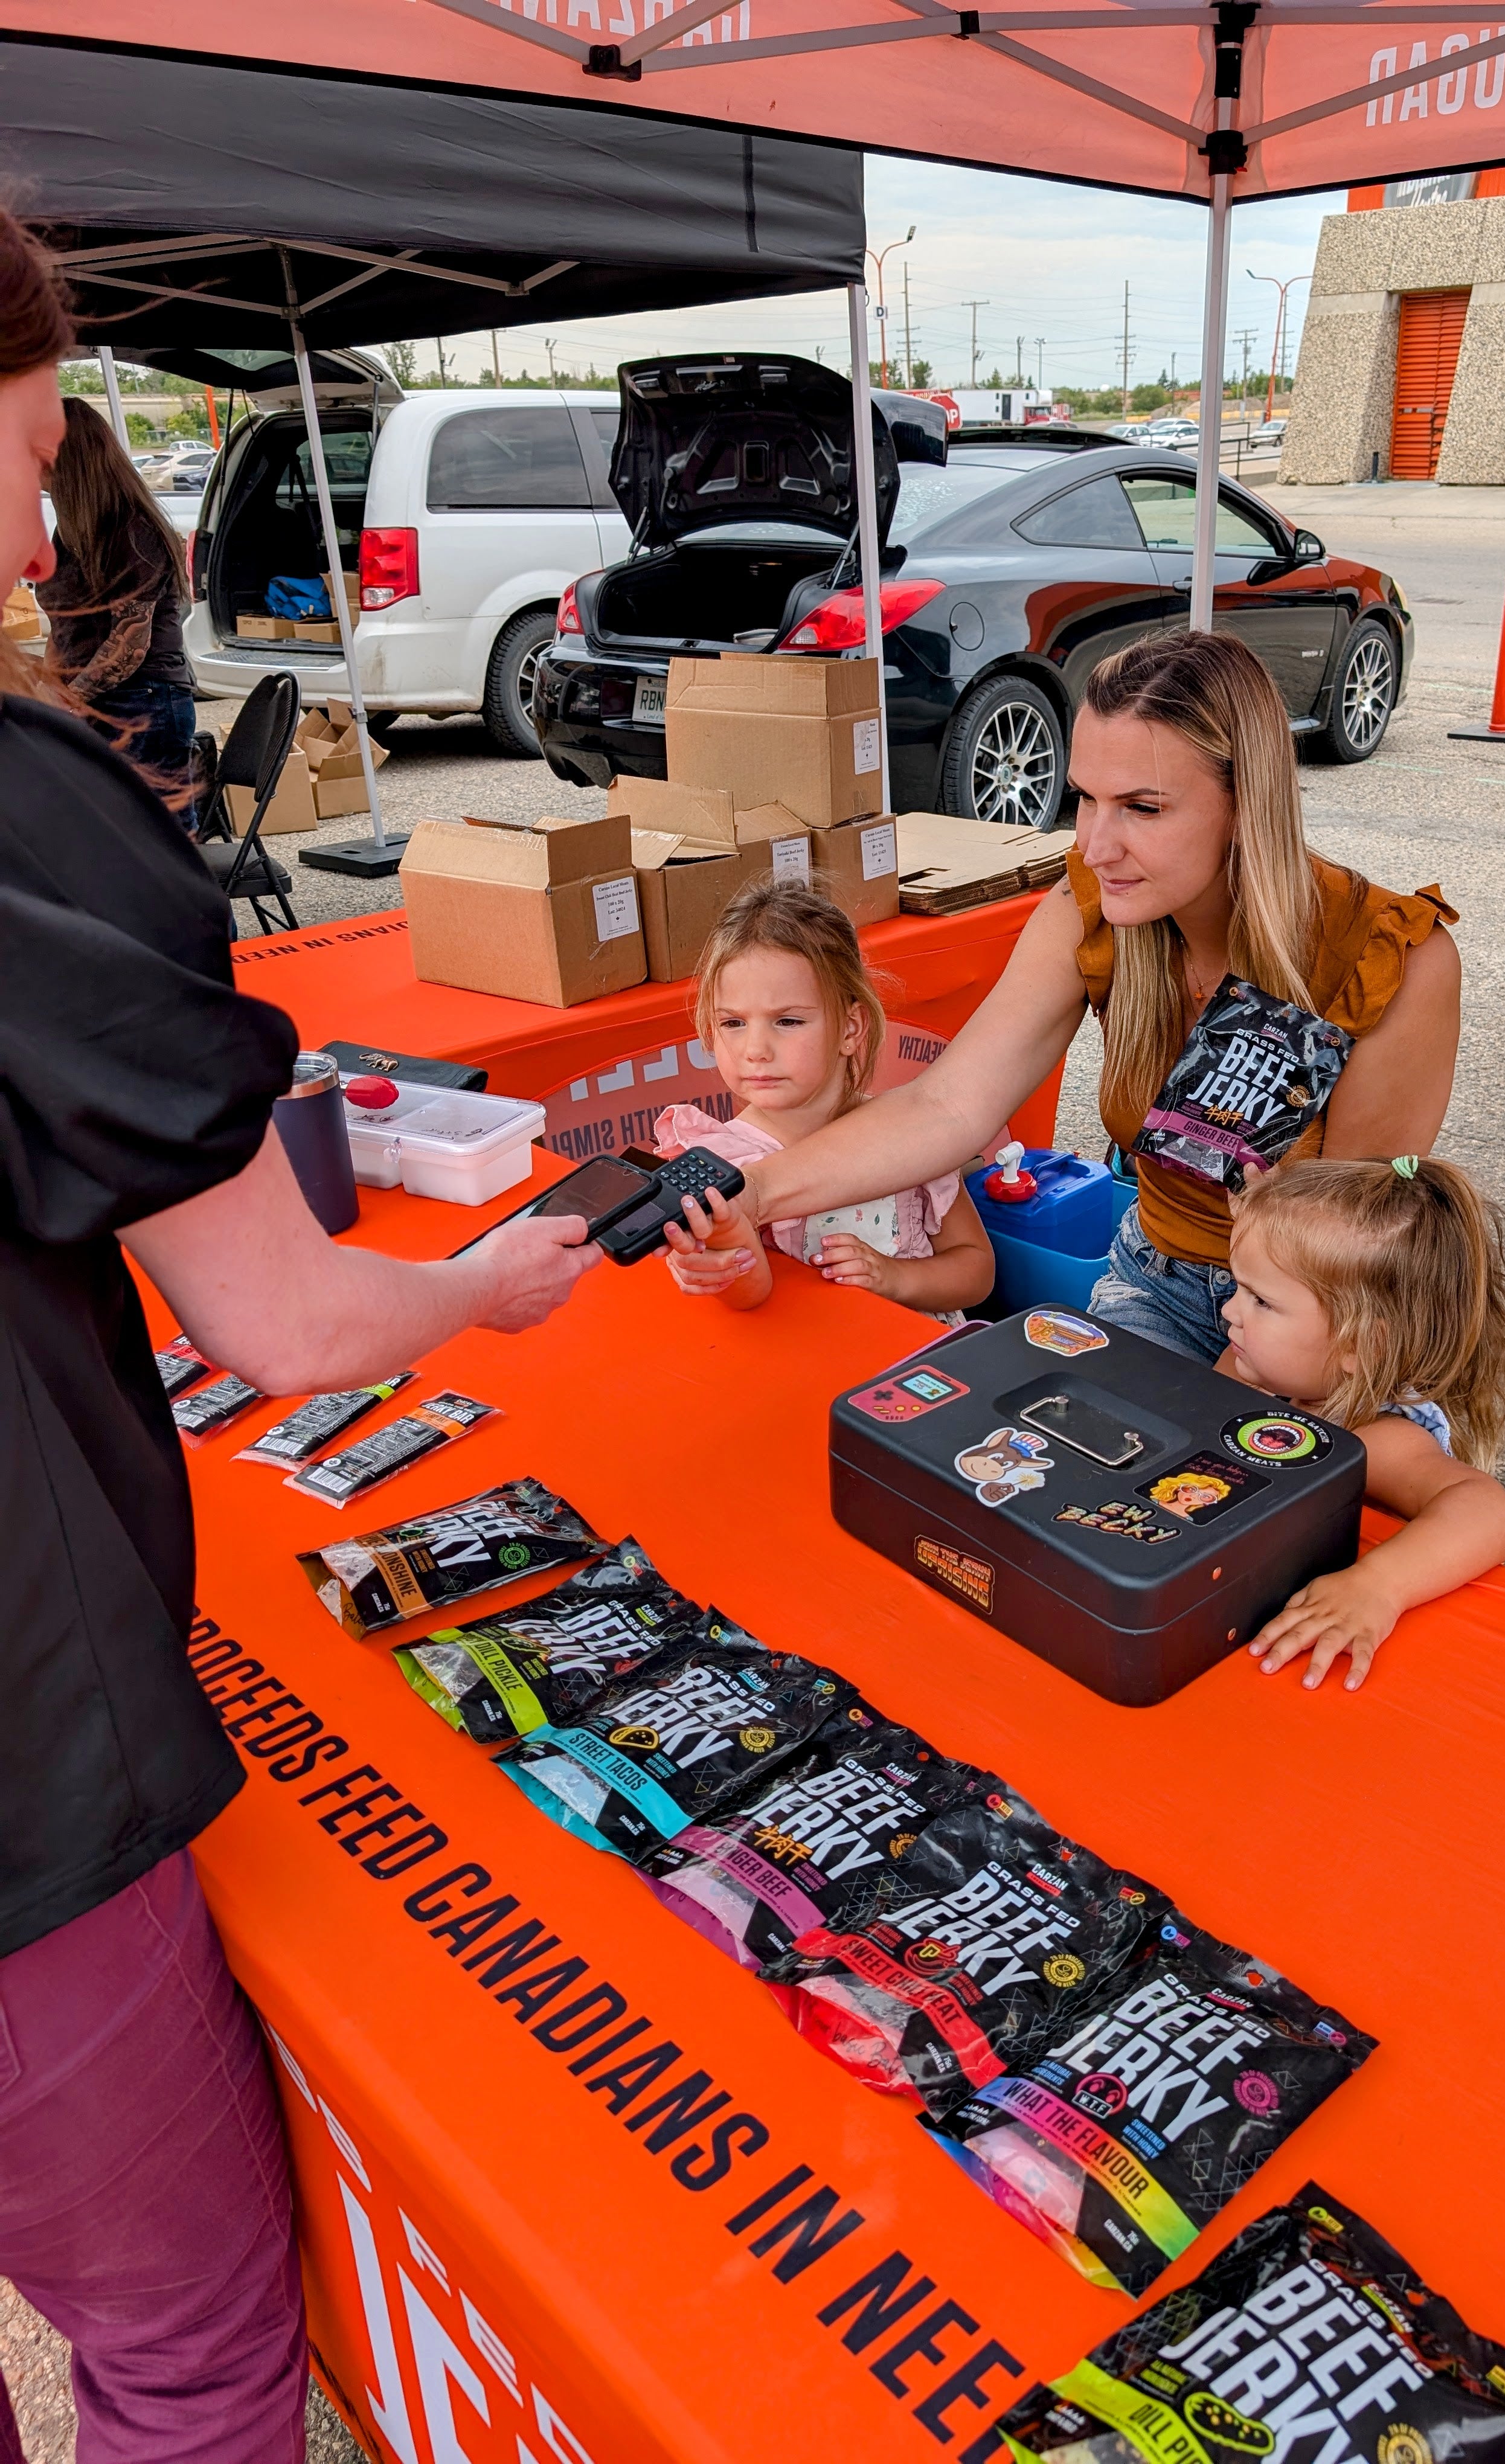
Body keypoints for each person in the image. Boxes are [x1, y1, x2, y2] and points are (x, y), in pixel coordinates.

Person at [0, 213, 600, 2464]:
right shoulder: (16, 808)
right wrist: (488, 1284)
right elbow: (280, 1307)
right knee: (186, 2353)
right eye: (43, 443)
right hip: (22, 1800)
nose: (53, 512)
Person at [667, 630, 1460, 1360]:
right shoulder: (1097, 910)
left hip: (1320, 1320)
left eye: (1142, 808)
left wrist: (1233, 1388)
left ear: (1247, 804)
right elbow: (948, 1109)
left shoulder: (1391, 959)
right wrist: (752, 1193)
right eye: (1085, 797)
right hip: (1156, 1281)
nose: (1092, 843)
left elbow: (1360, 1254)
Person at [1224, 1155, 1505, 1693]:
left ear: (1361, 1345)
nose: (1230, 1312)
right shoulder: (1264, 1367)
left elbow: (1493, 1512)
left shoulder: (1376, 1435)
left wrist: (1378, 1587)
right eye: (1237, 1287)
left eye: (1261, 1301)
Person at [656, 877, 993, 1318]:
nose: (755, 1049)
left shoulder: (909, 1135)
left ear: (851, 1029)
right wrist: (711, 1264)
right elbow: (750, 1294)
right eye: (733, 1023)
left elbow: (976, 1269)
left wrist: (895, 1278)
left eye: (789, 1021)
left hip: (917, 1371)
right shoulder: (717, 1161)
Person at [39, 394, 200, 825]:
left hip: (143, 700)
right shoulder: (72, 530)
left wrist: (69, 698)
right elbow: (64, 628)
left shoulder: (132, 529)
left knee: (157, 838)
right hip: (98, 701)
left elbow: (130, 643)